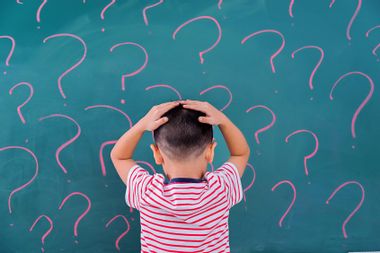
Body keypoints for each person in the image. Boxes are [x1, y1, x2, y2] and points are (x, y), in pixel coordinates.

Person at [110, 99, 250, 252]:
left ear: (157, 154)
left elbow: (119, 157)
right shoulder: (221, 188)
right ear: (210, 152)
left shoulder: (146, 191)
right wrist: (223, 120)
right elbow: (240, 154)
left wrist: (142, 125)